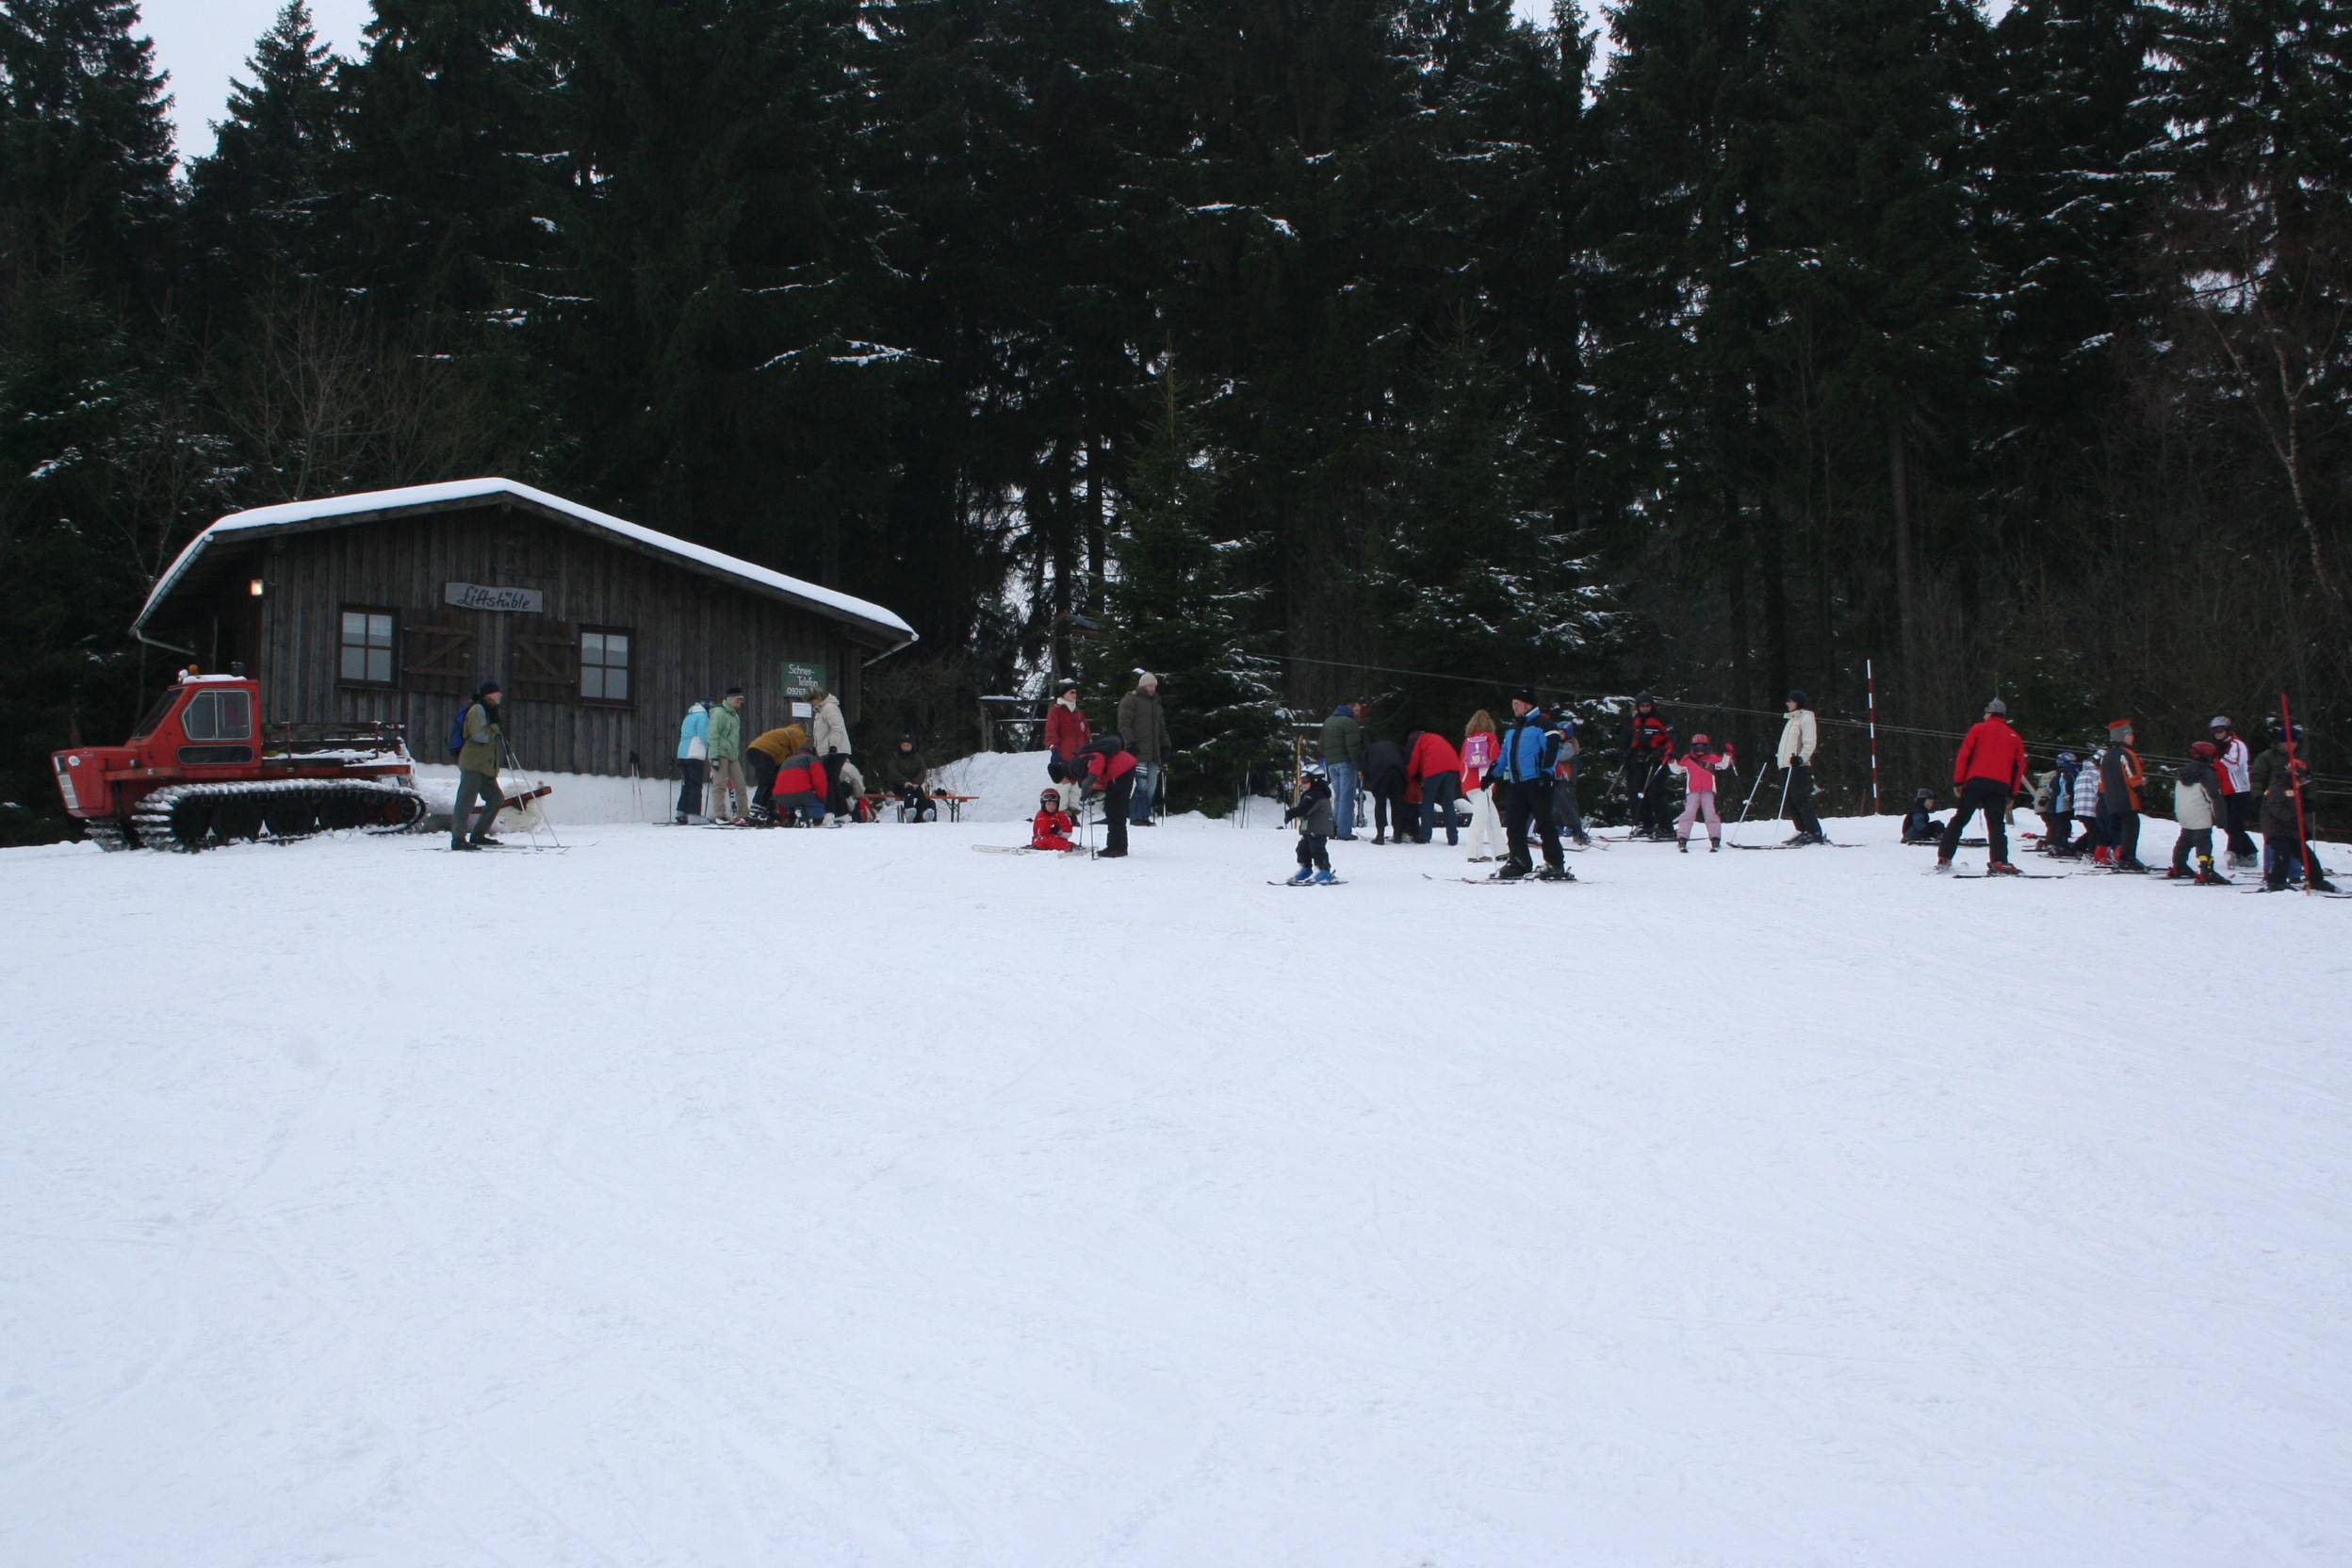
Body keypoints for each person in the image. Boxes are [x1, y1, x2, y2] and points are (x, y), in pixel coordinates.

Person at [1936, 697, 2026, 874]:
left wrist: (1959, 781)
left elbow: (1964, 756)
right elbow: (2019, 767)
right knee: (1996, 824)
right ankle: (1999, 861)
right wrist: (2013, 793)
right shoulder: (2014, 736)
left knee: (1960, 819)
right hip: (2000, 787)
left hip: (1975, 782)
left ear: (1989, 713)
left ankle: (1945, 856)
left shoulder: (1978, 729)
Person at [1492, 688, 1569, 880]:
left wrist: (1546, 772)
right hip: (1517, 784)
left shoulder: (1543, 724)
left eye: (1517, 704)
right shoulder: (1513, 728)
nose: (1514, 708)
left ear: (1527, 705)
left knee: (1544, 823)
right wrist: (1492, 775)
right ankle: (1519, 861)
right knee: (1514, 824)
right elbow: (1504, 755)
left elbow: (1553, 749)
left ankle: (1555, 863)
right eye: (1513, 705)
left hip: (1538, 782)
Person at [2251, 724, 2335, 890]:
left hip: (2292, 813)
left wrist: (2309, 801)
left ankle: (2308, 878)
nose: (2290, 745)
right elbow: (2258, 779)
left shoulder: (2301, 761)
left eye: (2294, 742)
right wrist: (2258, 797)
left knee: (2301, 850)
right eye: (2287, 742)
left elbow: (2310, 782)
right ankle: (2274, 878)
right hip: (2277, 818)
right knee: (2279, 849)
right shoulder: (2270, 763)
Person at [449, 680, 505, 850]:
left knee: (496, 798)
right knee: (466, 801)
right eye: (497, 692)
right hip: (473, 763)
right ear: (489, 694)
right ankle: (458, 838)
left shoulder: (489, 710)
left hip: (485, 766)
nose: (500, 695)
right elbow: (479, 735)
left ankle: (478, 834)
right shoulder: (478, 709)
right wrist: (495, 729)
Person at [1065, 735, 1138, 858]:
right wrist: (1088, 789)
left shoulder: (1078, 763)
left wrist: (1089, 781)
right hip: (1124, 768)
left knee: (1114, 810)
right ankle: (1120, 847)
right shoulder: (1079, 764)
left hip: (1120, 771)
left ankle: (1115, 848)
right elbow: (1100, 779)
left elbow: (1098, 759)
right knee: (1116, 811)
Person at [1118, 673, 1173, 826]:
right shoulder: (1130, 700)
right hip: (1138, 752)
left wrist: (1166, 745)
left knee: (1151, 787)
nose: (1153, 688)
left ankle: (1144, 815)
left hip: (1154, 753)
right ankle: (1136, 816)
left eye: (1154, 686)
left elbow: (1161, 727)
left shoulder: (1156, 702)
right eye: (1150, 685)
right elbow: (1124, 725)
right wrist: (1130, 743)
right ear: (1143, 685)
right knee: (1140, 785)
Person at [2166, 741, 2227, 882]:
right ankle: (2205, 871)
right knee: (2204, 843)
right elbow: (2214, 797)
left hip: (2184, 815)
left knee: (2185, 839)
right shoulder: (2207, 774)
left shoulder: (2183, 772)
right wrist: (2221, 819)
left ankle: (2178, 865)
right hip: (2201, 816)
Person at [1621, 694, 1675, 839]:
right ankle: (1646, 824)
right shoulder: (1636, 720)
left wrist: (1661, 751)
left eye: (1648, 705)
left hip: (1658, 760)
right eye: (1642, 706)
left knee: (1656, 793)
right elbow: (1634, 739)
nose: (1645, 708)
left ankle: (1666, 828)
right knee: (1638, 792)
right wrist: (1629, 752)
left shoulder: (1661, 718)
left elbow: (1672, 739)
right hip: (1642, 759)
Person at [1776, 690, 1828, 844]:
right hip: (1786, 765)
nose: (1787, 703)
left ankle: (1814, 831)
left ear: (1798, 702)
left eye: (1790, 701)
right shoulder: (1791, 720)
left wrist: (1801, 758)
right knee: (1790, 800)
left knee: (1801, 798)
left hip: (1798, 766)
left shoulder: (1806, 718)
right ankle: (1802, 829)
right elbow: (1787, 744)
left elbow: (1809, 741)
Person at [1669, 732, 1736, 852]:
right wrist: (1671, 760)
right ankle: (1682, 836)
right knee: (1688, 813)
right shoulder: (1688, 759)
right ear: (1692, 747)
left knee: (1710, 813)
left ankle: (1715, 837)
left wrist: (1727, 753)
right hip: (1693, 791)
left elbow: (1724, 765)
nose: (1699, 750)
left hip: (1708, 791)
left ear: (1707, 747)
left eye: (1702, 747)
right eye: (1697, 747)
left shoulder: (1712, 759)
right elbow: (1677, 770)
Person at [2209, 717, 2259, 868]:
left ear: (2228, 730)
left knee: (2234, 824)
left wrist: (2222, 755)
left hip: (2239, 789)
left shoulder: (2237, 745)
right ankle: (2249, 852)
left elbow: (2236, 766)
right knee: (2227, 825)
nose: (2218, 734)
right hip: (2225, 790)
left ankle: (2234, 852)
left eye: (2220, 730)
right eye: (2214, 731)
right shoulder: (2218, 747)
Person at [2099, 718, 2148, 871]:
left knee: (2118, 828)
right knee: (2131, 828)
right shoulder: (2127, 754)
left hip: (2111, 800)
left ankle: (2119, 855)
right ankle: (2128, 858)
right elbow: (2133, 777)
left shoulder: (2106, 756)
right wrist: (2143, 796)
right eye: (2129, 735)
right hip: (2128, 800)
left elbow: (2102, 781)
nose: (2132, 737)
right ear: (2122, 736)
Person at [1406, 727, 1463, 847]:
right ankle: (1453, 837)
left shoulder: (1420, 741)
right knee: (1448, 803)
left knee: (1428, 802)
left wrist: (1408, 776)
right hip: (1453, 768)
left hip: (1434, 769)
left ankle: (1425, 835)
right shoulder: (1436, 737)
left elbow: (1414, 761)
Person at [1282, 765, 1339, 885]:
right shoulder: (1311, 793)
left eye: (1305, 781)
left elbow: (1304, 809)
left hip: (1319, 828)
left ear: (1315, 780)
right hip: (1310, 828)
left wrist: (1290, 813)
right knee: (1302, 848)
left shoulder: (1316, 794)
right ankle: (1306, 869)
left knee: (1317, 849)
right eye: (1301, 781)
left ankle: (1324, 871)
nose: (1302, 784)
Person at [1319, 699, 1366, 840]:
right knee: (1347, 798)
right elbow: (1354, 747)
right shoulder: (1349, 722)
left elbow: (1321, 745)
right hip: (1346, 763)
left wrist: (1329, 757)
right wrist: (1359, 766)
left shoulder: (1328, 721)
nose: (1358, 714)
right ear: (1350, 709)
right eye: (1357, 711)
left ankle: (1333, 829)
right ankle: (1344, 832)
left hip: (1331, 764)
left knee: (1338, 797)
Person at [1460, 710, 1503, 862]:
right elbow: (1496, 757)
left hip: (1469, 784)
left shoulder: (1468, 741)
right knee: (1482, 817)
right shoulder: (1489, 737)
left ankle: (1500, 850)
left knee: (1491, 815)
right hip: (1483, 783)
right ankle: (1473, 852)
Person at [743, 723, 807, 825]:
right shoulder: (797, 732)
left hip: (755, 750)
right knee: (767, 782)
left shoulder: (783, 734)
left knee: (772, 781)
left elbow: (782, 757)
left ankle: (767, 809)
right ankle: (756, 811)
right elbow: (794, 747)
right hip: (763, 752)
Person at [1548, 711, 1594, 848]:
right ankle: (1558, 824)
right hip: (1557, 779)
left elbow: (1560, 757)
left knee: (1568, 805)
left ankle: (1577, 830)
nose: (1559, 735)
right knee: (1556, 805)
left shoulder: (1569, 746)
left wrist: (1551, 751)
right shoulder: (1558, 744)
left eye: (1561, 733)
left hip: (1565, 780)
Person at [1045, 680, 1091, 808]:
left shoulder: (1079, 713)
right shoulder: (1056, 711)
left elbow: (1086, 732)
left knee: (1076, 787)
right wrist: (1053, 747)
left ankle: (1073, 813)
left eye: (1075, 692)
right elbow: (1051, 730)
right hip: (1063, 754)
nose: (1074, 695)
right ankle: (1061, 813)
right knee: (1064, 785)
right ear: (1063, 694)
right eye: (1071, 692)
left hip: (1079, 756)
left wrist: (1088, 747)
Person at [808, 685, 853, 816]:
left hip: (835, 750)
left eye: (812, 699)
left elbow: (836, 727)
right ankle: (842, 814)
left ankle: (830, 812)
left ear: (819, 697)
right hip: (828, 750)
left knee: (827, 780)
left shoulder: (830, 708)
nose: (811, 703)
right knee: (831, 780)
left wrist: (833, 746)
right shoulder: (820, 711)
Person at [709, 688, 749, 825]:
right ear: (730, 699)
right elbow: (713, 735)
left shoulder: (735, 716)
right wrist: (714, 757)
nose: (740, 703)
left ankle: (744, 814)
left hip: (732, 755)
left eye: (741, 700)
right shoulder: (719, 714)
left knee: (741, 785)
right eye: (738, 700)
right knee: (719, 784)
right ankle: (720, 815)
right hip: (719, 754)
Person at [769, 739, 831, 825]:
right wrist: (822, 799)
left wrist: (783, 817)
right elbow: (820, 782)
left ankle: (789, 817)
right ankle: (817, 819)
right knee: (815, 802)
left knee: (791, 798)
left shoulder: (787, 760)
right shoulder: (812, 759)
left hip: (780, 797)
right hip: (801, 794)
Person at [1365, 734, 1411, 843]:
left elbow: (1364, 768)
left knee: (1380, 803)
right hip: (1398, 772)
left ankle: (1380, 836)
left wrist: (1370, 783)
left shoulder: (1369, 749)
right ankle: (1397, 835)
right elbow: (1406, 759)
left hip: (1380, 774)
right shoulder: (1395, 746)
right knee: (1397, 803)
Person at [2034, 752, 2081, 856]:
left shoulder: (2059, 774)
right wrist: (2071, 800)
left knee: (2063, 826)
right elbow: (2065, 789)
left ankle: (2059, 844)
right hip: (2060, 806)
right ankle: (2058, 845)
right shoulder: (2065, 774)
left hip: (2058, 806)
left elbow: (2050, 789)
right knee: (2061, 826)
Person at [674, 698, 710, 825]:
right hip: (694, 752)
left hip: (682, 753)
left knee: (687, 784)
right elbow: (704, 735)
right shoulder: (703, 716)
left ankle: (681, 812)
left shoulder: (689, 716)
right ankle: (694, 814)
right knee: (695, 784)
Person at [887, 735, 935, 821]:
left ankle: (925, 812)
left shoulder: (917, 757)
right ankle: (909, 810)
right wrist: (905, 781)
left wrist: (916, 782)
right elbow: (893, 771)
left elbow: (922, 771)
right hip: (899, 785)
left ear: (912, 746)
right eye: (904, 745)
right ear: (900, 746)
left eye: (908, 745)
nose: (905, 747)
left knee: (920, 791)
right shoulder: (895, 757)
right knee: (908, 789)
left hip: (914, 785)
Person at [2076, 743, 2109, 863]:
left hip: (2080, 808)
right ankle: (2091, 852)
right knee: (2097, 831)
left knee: (2092, 830)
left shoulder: (2082, 772)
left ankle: (2076, 848)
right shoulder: (2096, 773)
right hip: (2090, 808)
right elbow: (2098, 789)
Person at [1031, 788, 1077, 852]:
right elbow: (1035, 830)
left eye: (1054, 804)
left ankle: (1071, 847)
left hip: (1055, 840)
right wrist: (1035, 840)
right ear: (1043, 804)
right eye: (1049, 804)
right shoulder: (1039, 815)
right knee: (1041, 841)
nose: (1051, 806)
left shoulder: (1060, 815)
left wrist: (1059, 832)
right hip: (1040, 841)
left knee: (1052, 841)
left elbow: (1068, 833)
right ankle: (1036, 847)